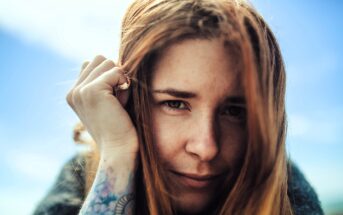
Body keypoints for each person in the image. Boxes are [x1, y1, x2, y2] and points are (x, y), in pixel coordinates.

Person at [33, 0, 324, 214]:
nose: (206, 147)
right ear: (129, 100)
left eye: (234, 111)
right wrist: (118, 154)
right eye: (175, 104)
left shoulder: (284, 188)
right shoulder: (80, 177)